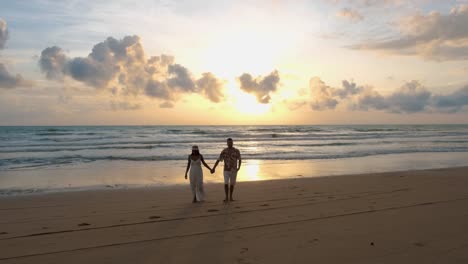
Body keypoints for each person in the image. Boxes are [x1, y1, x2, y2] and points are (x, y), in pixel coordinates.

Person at [211, 138, 242, 202]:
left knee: (232, 184)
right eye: (228, 142)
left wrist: (239, 167)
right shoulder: (224, 151)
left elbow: (239, 159)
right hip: (226, 170)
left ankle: (231, 197)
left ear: (232, 143)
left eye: (231, 142)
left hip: (234, 170)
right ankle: (226, 197)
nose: (230, 144)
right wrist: (214, 168)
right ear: (227, 143)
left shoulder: (236, 151)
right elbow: (218, 160)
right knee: (226, 183)